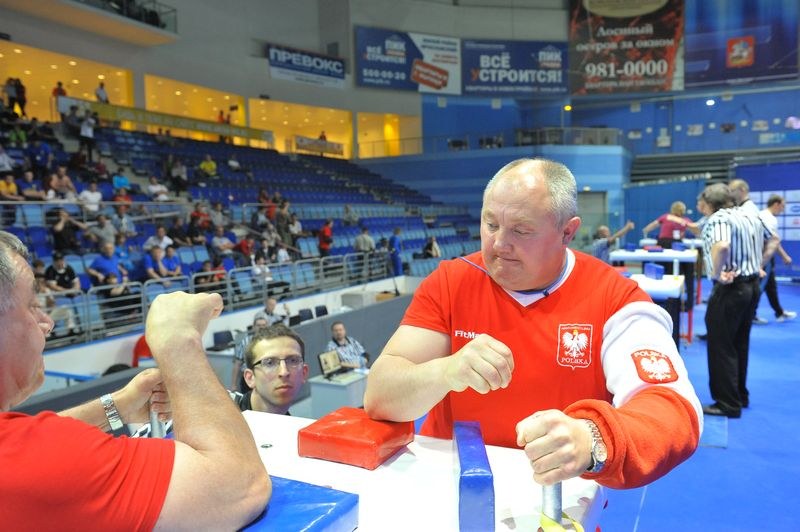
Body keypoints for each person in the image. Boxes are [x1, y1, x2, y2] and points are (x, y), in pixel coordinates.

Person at [363, 158, 702, 490]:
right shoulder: (451, 281)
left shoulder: (616, 298)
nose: (498, 244)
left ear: (567, 232)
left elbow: (674, 410)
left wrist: (592, 438)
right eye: (491, 224)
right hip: (449, 487)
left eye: (521, 230)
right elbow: (380, 396)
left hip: (554, 495)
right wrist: (445, 371)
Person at [0, 231, 271, 528]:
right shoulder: (29, 466)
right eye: (31, 305)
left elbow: (29, 442)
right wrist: (177, 338)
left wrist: (118, 407)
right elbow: (240, 485)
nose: (47, 322)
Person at [700, 183, 777, 418]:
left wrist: (715, 273)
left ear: (708, 202)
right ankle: (739, 395)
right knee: (739, 343)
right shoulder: (748, 215)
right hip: (751, 285)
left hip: (731, 288)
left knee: (721, 346)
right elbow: (773, 240)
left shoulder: (718, 218)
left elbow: (722, 246)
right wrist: (759, 264)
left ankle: (726, 403)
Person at [234, 324, 309, 414]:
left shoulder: (288, 424)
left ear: (304, 373)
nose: (284, 372)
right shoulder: (223, 418)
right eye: (269, 363)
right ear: (250, 378)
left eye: (293, 360)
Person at [755, 195, 796, 323]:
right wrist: (784, 256)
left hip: (763, 257)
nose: (783, 210)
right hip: (764, 258)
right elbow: (773, 242)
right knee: (759, 287)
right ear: (776, 204)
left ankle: (779, 312)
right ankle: (750, 315)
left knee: (770, 286)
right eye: (782, 206)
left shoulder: (762, 214)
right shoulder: (770, 219)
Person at [231, 316, 270, 392]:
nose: (261, 327)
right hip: (249, 380)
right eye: (258, 325)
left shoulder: (272, 342)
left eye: (264, 325)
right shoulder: (244, 342)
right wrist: (233, 385)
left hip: (267, 379)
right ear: (253, 327)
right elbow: (237, 364)